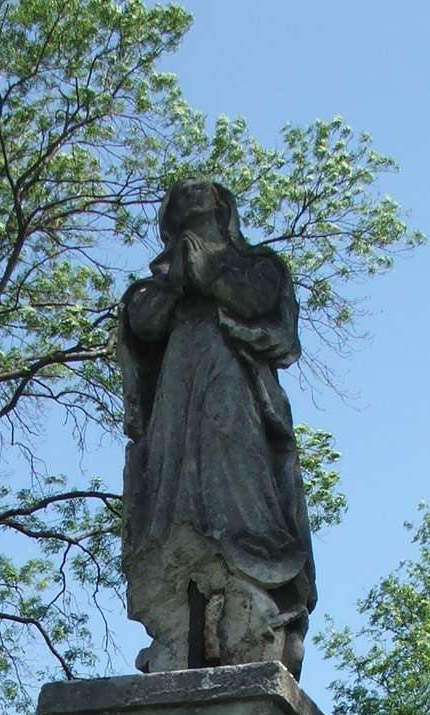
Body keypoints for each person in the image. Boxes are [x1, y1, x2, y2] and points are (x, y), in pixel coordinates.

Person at [116, 178, 315, 676]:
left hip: (229, 376)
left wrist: (206, 272)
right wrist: (175, 283)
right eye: (178, 193)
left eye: (201, 192)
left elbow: (259, 304)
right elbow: (143, 326)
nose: (189, 194)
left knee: (232, 467)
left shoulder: (256, 266)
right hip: (178, 389)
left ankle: (245, 592)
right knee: (172, 475)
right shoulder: (158, 282)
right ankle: (180, 608)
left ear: (224, 208)